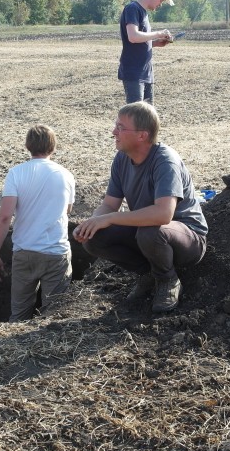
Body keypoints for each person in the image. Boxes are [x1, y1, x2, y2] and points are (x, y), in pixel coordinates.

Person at [72, 102, 207, 312]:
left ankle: (168, 280)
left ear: (142, 135)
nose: (113, 132)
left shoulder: (165, 161)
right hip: (148, 232)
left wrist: (110, 218)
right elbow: (109, 204)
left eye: (120, 127)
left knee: (149, 231)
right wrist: (93, 221)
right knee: (93, 237)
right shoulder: (122, 159)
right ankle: (148, 274)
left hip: (187, 239)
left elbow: (163, 214)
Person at [0, 125, 76, 321]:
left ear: (28, 146)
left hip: (25, 252)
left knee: (19, 315)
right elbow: (68, 210)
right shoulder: (66, 175)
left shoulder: (16, 173)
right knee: (52, 317)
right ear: (53, 147)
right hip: (56, 254)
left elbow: (4, 217)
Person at [119, 0, 175, 106]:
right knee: (137, 117)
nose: (160, 5)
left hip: (146, 72)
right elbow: (133, 37)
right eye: (161, 0)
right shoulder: (133, 9)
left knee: (148, 117)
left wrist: (155, 43)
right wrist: (159, 33)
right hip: (134, 72)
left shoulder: (144, 13)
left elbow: (139, 41)